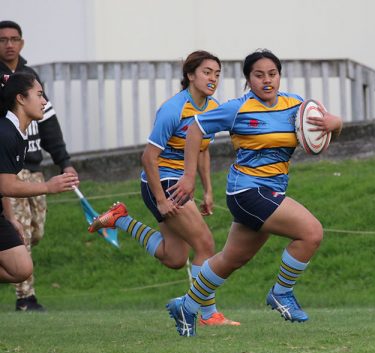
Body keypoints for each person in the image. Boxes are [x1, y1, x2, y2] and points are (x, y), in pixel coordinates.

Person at [165, 49, 343, 336]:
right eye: (259, 75)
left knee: (231, 259)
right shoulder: (238, 108)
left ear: (279, 76)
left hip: (270, 191)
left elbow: (326, 129)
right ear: (248, 79)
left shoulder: (296, 106)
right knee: (311, 232)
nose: (267, 81)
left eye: (272, 74)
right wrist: (188, 177)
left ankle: (186, 305)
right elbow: (195, 128)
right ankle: (281, 293)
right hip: (246, 191)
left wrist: (336, 124)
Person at [88, 50, 239, 326]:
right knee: (205, 243)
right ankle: (207, 314)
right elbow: (148, 158)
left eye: (217, 73)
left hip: (180, 184)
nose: (213, 78)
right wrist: (160, 200)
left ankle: (120, 219)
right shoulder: (174, 109)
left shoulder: (213, 107)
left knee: (174, 257)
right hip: (163, 183)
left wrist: (207, 191)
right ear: (190, 75)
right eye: (207, 72)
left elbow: (202, 152)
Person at [0, 20, 79, 311]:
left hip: (19, 182)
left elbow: (51, 130)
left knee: (26, 253)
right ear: (20, 99)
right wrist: (49, 186)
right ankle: (26, 299)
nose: (45, 101)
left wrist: (64, 164)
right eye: (40, 95)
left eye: (14, 39)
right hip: (16, 183)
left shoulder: (28, 82)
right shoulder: (6, 132)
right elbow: (6, 184)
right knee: (21, 254)